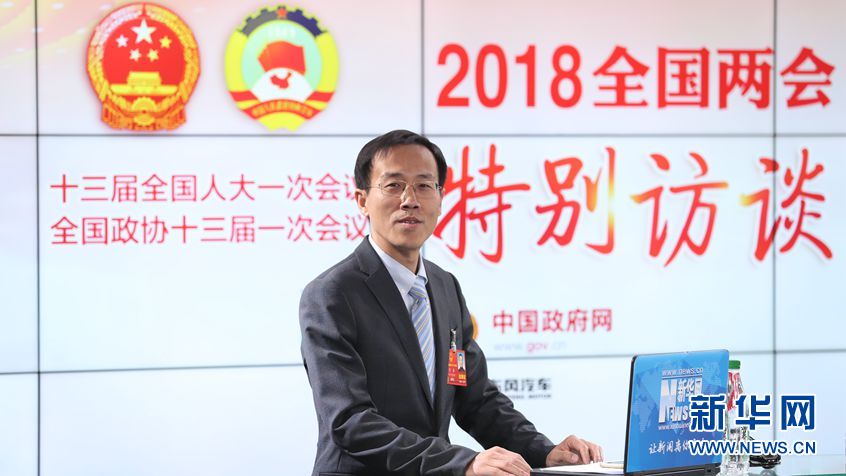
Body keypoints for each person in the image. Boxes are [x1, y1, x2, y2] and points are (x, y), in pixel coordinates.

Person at [299, 130, 603, 476]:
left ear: (441, 198)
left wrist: (544, 452)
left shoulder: (444, 287)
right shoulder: (332, 294)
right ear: (361, 200)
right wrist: (464, 462)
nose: (410, 200)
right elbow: (350, 421)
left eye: (424, 185)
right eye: (393, 185)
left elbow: (477, 400)